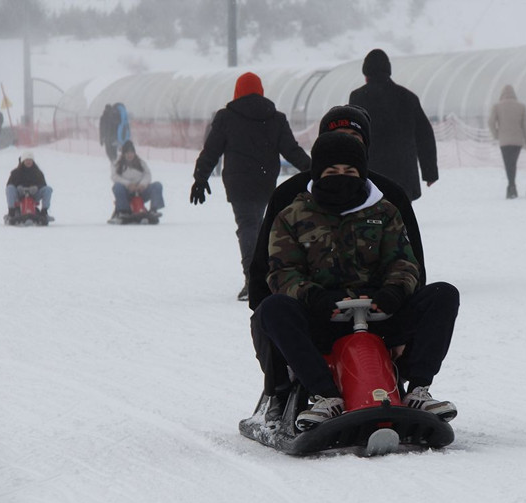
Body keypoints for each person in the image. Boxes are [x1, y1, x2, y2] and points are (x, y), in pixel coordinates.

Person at [255, 132, 459, 431]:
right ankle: (324, 394)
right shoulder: (292, 216)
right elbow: (282, 270)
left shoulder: (385, 212)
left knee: (443, 295)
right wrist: (312, 296)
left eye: (350, 172)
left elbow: (403, 261)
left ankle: (418, 388)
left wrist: (395, 290)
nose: (342, 178)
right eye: (332, 172)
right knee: (274, 309)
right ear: (318, 174)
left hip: (380, 313)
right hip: (323, 316)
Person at [190, 72, 311, 301]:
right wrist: (314, 169)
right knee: (260, 228)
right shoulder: (275, 118)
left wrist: (200, 177)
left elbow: (212, 150)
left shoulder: (226, 117)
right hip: (265, 181)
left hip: (238, 183)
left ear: (237, 91)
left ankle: (252, 280)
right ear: (261, 91)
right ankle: (263, 277)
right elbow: (292, 151)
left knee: (248, 227)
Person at [349, 49, 438, 201]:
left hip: (371, 172)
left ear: (366, 74)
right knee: (400, 216)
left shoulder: (358, 97)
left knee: (372, 217)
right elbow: (424, 136)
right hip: (403, 174)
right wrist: (429, 172)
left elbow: (352, 134)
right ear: (388, 71)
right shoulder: (408, 97)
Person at [488, 85, 526, 199]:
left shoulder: (497, 106)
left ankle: (511, 186)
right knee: (513, 163)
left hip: (504, 141)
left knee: (508, 164)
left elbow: (490, 122)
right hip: (517, 141)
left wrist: (496, 134)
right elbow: (525, 126)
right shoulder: (521, 107)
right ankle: (512, 186)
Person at [109, 140, 164, 221]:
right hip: (126, 192)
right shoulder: (117, 164)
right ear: (124, 154)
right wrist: (128, 184)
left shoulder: (141, 163)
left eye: (131, 152)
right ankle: (123, 211)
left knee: (157, 185)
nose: (130, 155)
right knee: (117, 187)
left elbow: (147, 175)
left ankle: (153, 210)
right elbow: (114, 177)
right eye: (127, 153)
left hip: (141, 191)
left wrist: (142, 184)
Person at [5, 150, 53, 220]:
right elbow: (9, 184)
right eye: (26, 160)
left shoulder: (38, 172)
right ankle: (11, 212)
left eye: (30, 160)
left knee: (48, 189)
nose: (28, 162)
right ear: (23, 161)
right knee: (9, 188)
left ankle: (44, 212)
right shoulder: (15, 172)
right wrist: (18, 187)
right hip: (19, 195)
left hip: (34, 195)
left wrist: (36, 187)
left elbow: (43, 184)